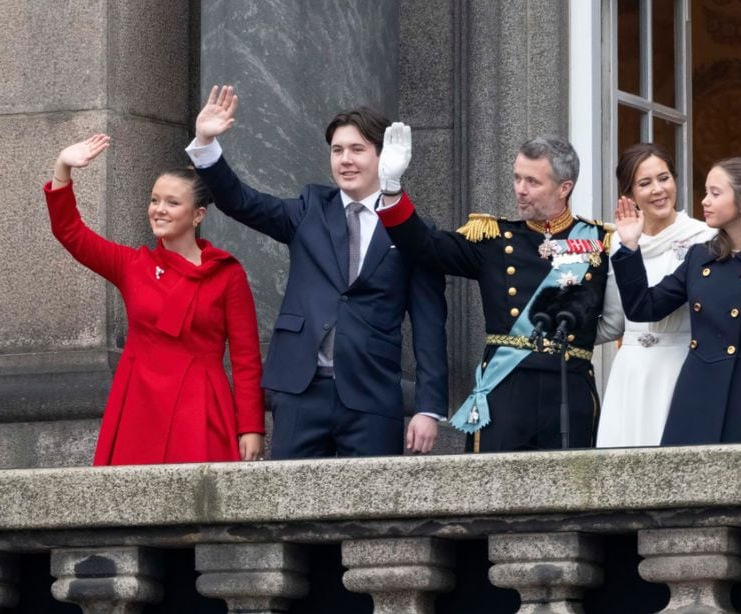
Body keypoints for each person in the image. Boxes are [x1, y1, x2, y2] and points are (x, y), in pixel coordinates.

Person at [185, 86, 448, 458]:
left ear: (385, 156)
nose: (345, 160)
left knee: (368, 512)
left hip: (371, 394)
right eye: (337, 150)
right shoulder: (310, 208)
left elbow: (429, 324)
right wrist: (206, 143)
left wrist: (427, 407)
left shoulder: (414, 230)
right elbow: (241, 202)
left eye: (357, 150)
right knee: (289, 510)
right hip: (299, 391)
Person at [375, 128, 611, 452]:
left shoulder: (600, 244)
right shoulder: (494, 240)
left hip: (569, 391)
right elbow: (424, 246)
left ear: (564, 188)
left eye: (533, 182)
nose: (520, 190)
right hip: (506, 389)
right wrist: (391, 191)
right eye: (517, 178)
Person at [44, 134, 265, 465]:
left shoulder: (226, 274)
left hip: (201, 405)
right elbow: (70, 232)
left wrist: (251, 427)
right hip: (139, 404)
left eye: (172, 203)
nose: (159, 210)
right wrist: (63, 167)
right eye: (154, 200)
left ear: (198, 215)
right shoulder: (133, 266)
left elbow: (246, 358)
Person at [611, 157, 741, 445]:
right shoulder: (699, 256)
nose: (705, 201)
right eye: (706, 192)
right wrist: (629, 247)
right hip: (693, 401)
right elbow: (644, 308)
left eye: (715, 193)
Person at [595, 143, 716, 448]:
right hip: (631, 371)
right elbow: (613, 323)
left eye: (664, 178)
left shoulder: (706, 237)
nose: (658, 190)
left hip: (682, 366)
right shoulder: (616, 243)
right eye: (645, 183)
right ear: (630, 193)